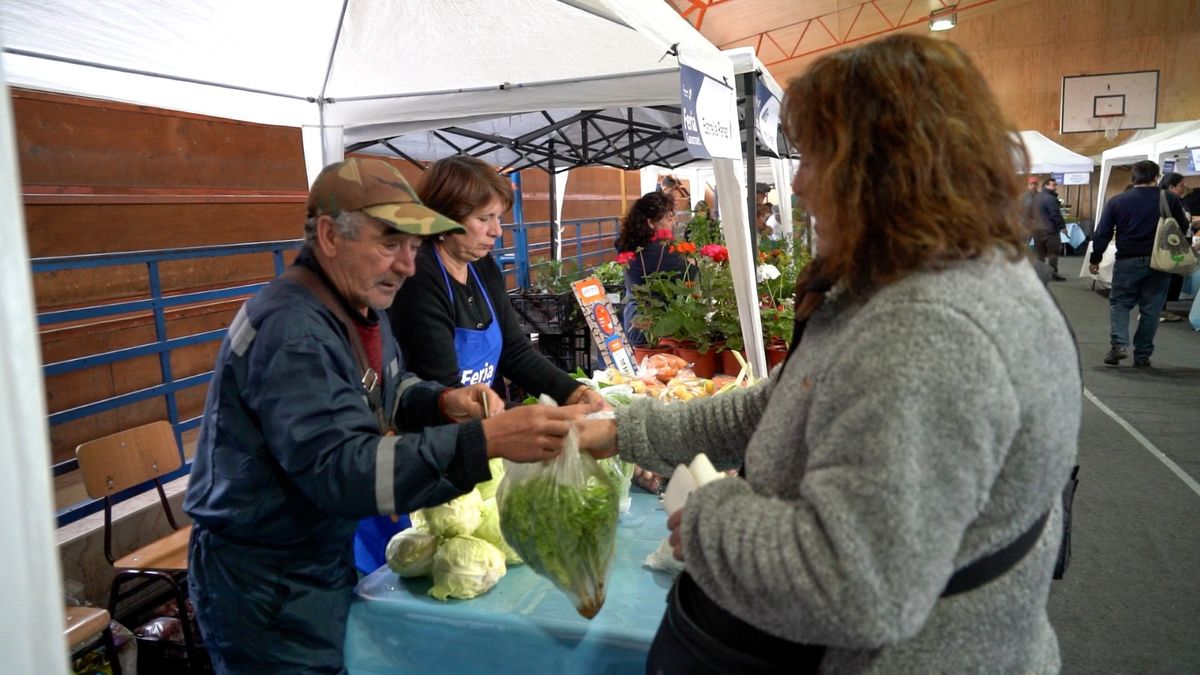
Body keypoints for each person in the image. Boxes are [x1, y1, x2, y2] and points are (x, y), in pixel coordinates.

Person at [577, 34, 1079, 674]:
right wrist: (627, 431)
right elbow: (787, 400)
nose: (800, 183)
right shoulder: (925, 273)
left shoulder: (929, 330)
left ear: (885, 170)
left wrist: (708, 517)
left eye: (816, 158)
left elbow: (858, 584)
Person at [185, 158, 587, 673]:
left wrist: (441, 401)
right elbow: (344, 469)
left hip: (312, 556)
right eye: (389, 244)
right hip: (267, 577)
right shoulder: (296, 332)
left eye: (414, 247)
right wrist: (485, 441)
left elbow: (389, 389)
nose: (407, 266)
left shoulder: (356, 308)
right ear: (330, 236)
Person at [1089, 160, 1189, 367]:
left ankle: (1119, 345)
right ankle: (1142, 355)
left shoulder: (1118, 201)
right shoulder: (1168, 198)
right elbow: (1183, 224)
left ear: (1133, 177)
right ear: (1156, 177)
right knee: (1152, 309)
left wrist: (1095, 258)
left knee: (1120, 303)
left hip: (1128, 259)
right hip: (1159, 260)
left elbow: (1102, 233)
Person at [614, 191, 692, 347]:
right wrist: (691, 261)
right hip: (650, 328)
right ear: (650, 223)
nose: (673, 223)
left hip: (635, 320)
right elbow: (690, 274)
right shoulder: (656, 250)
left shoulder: (632, 243)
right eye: (669, 218)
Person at [1158, 172, 1190, 322]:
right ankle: (1161, 310)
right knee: (1169, 276)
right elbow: (1182, 224)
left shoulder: (1163, 198)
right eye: (1181, 186)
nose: (1184, 188)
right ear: (1171, 187)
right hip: (1171, 243)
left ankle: (1160, 309)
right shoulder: (1171, 200)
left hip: (1169, 243)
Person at [1032, 177, 1067, 280]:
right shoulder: (1051, 198)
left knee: (1040, 254)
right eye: (1053, 185)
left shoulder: (1036, 197)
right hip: (1050, 231)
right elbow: (1055, 215)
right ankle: (1053, 273)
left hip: (1036, 230)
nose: (1055, 187)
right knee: (1053, 253)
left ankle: (1040, 274)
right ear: (1046, 185)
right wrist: (1062, 227)